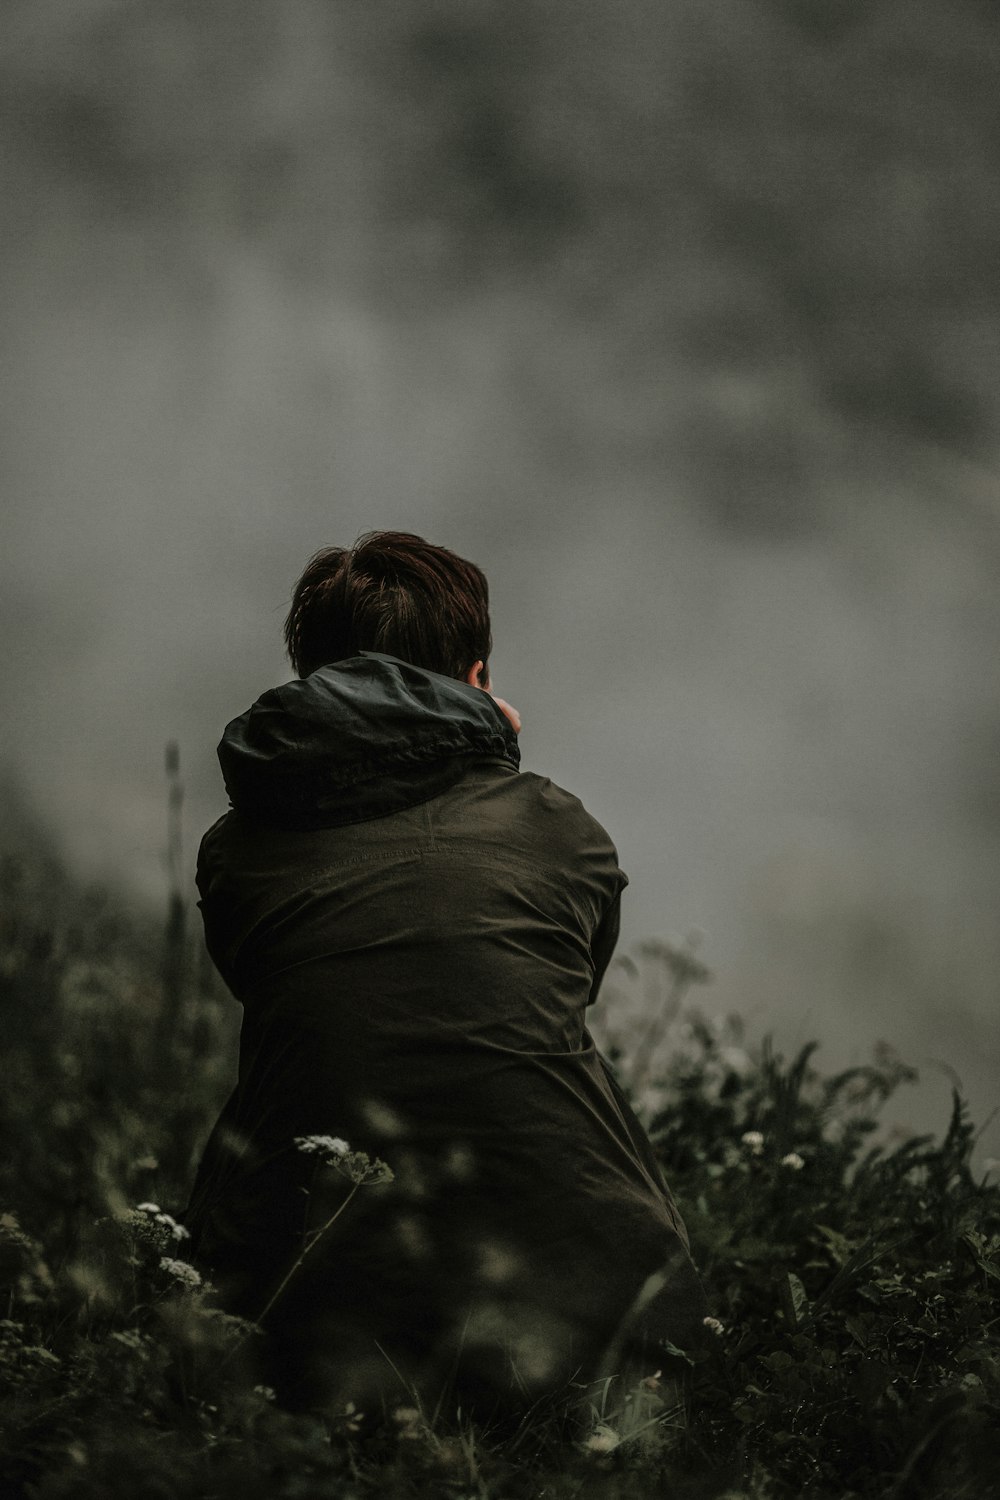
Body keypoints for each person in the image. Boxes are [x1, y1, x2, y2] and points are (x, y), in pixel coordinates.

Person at [185, 530, 710, 1418]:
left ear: (312, 677)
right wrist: (492, 761)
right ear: (477, 682)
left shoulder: (236, 855)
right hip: (596, 1326)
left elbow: (285, 991)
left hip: (310, 1337)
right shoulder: (560, 831)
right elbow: (565, 987)